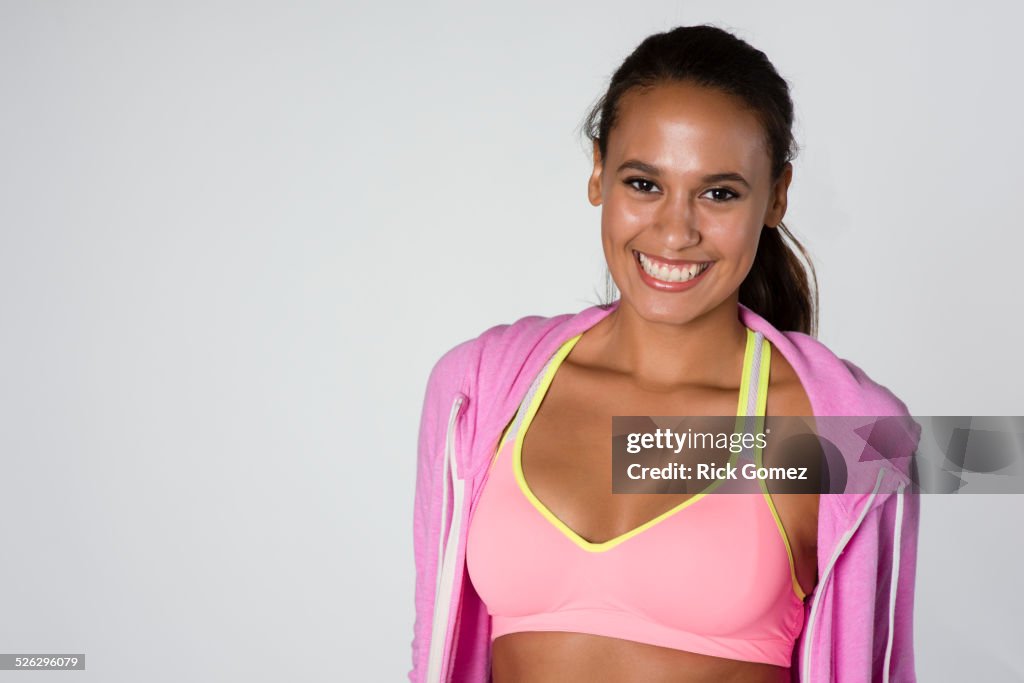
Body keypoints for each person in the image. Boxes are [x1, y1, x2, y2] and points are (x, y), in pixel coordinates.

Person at [410, 24, 919, 683]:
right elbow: (433, 637)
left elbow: (877, 660)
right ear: (598, 173)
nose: (675, 232)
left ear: (778, 196)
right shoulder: (478, 390)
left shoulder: (830, 430)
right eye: (644, 184)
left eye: (719, 193)